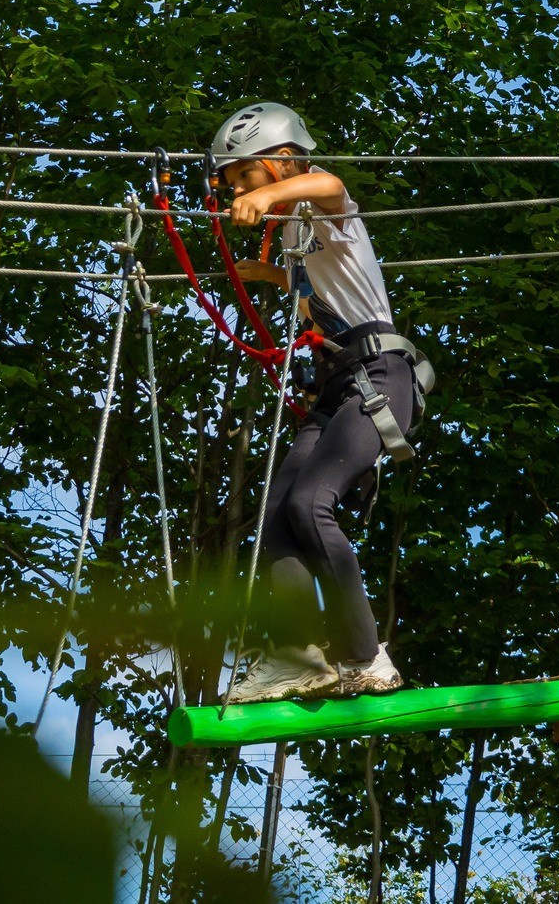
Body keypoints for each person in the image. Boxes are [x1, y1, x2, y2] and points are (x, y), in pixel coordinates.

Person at [211, 101, 434, 702]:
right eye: (234, 184)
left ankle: (366, 657)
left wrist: (269, 195)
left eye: (246, 176)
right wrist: (271, 276)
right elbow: (325, 288)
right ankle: (297, 658)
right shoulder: (295, 231)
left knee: (312, 504)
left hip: (379, 376)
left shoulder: (321, 207)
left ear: (284, 160)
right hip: (338, 386)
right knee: (277, 515)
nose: (240, 192)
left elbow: (331, 185)